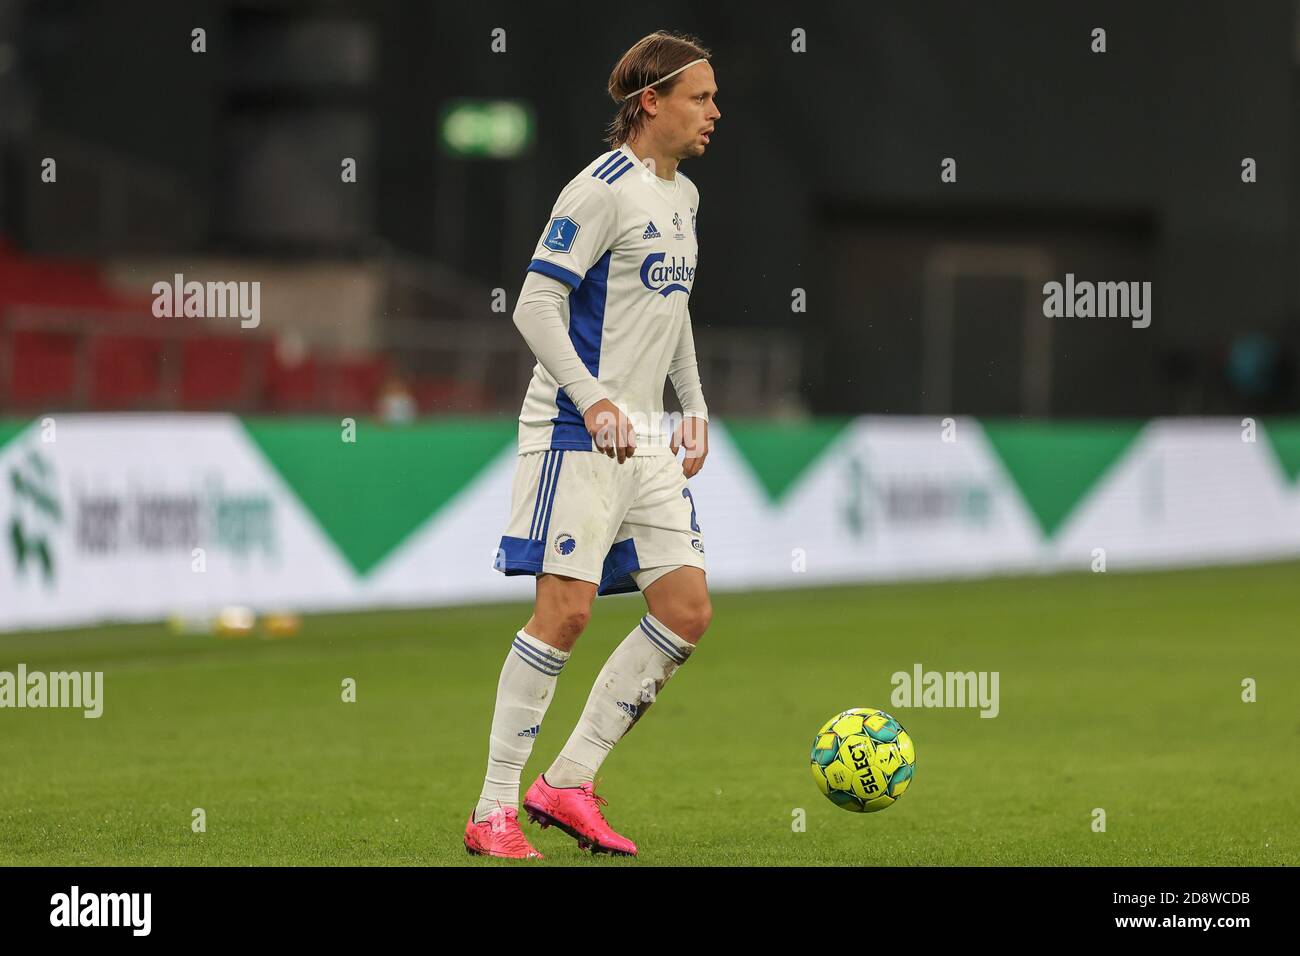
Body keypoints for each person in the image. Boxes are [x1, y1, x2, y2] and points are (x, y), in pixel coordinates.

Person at [464, 30, 721, 859]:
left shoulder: (681, 197)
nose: (714, 112)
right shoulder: (598, 190)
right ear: (652, 102)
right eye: (701, 97)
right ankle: (492, 810)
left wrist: (695, 404)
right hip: (578, 429)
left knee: (685, 611)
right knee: (564, 613)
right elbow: (535, 306)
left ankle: (568, 782)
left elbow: (671, 309)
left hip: (644, 434)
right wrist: (594, 398)